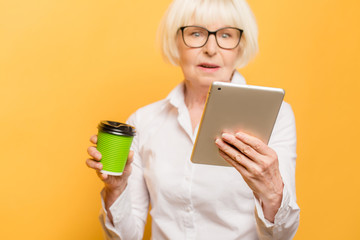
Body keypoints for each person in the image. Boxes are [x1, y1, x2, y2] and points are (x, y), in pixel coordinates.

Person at [86, 0, 300, 239]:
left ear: (241, 46)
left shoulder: (275, 116)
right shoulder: (144, 121)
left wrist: (273, 192)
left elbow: (282, 236)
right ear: (175, 42)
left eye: (226, 35)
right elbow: (126, 237)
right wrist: (116, 190)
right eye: (196, 33)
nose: (210, 48)